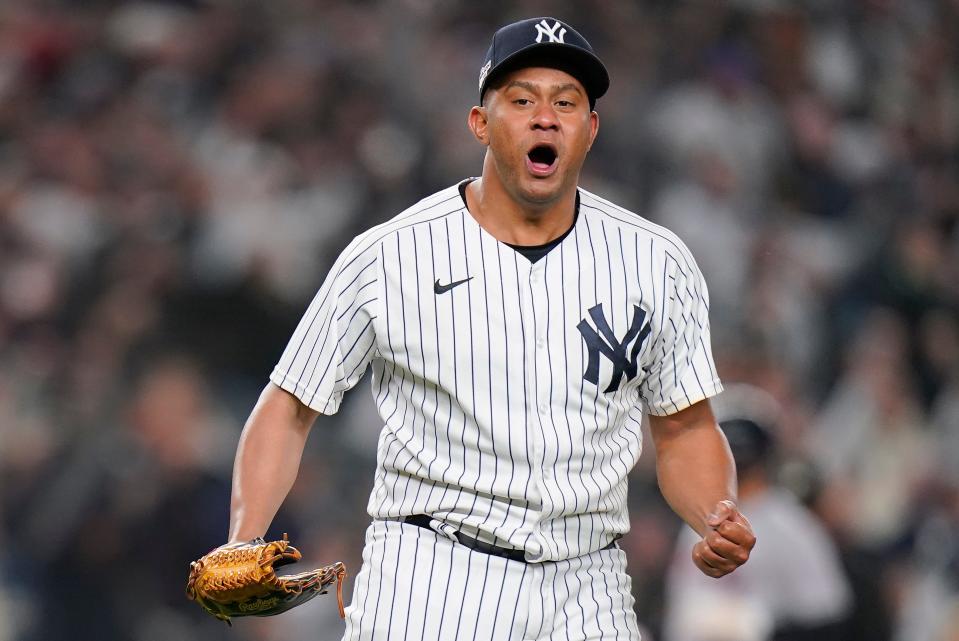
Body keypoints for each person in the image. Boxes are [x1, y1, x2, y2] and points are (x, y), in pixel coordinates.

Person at [224, 17, 755, 640]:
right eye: (523, 99)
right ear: (480, 122)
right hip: (428, 578)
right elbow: (290, 404)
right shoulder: (390, 255)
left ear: (591, 129)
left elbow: (685, 426)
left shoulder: (656, 263)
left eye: (567, 102)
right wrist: (243, 539)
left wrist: (716, 517)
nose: (546, 117)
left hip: (588, 583)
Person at [662, 385, 852, 641]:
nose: (739, 447)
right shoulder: (696, 521)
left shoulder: (790, 525)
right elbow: (681, 611)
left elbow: (828, 614)